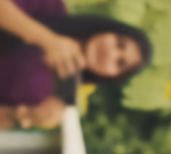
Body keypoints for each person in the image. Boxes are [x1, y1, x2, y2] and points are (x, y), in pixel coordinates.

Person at [0, 0, 152, 129]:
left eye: (119, 63)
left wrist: (20, 115)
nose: (110, 53)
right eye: (119, 43)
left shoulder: (55, 96)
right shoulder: (51, 8)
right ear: (110, 29)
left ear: (112, 76)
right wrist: (46, 39)